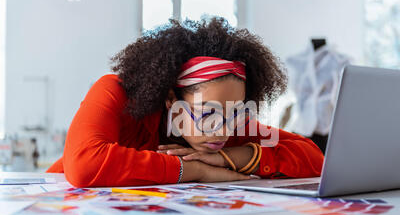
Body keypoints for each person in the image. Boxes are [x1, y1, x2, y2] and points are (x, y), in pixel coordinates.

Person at [47, 18, 324, 187]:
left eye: (236, 113)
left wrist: (228, 158)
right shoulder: (114, 91)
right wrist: (196, 170)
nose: (221, 132)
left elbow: (313, 158)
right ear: (171, 98)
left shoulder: (226, 123)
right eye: (208, 114)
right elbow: (85, 164)